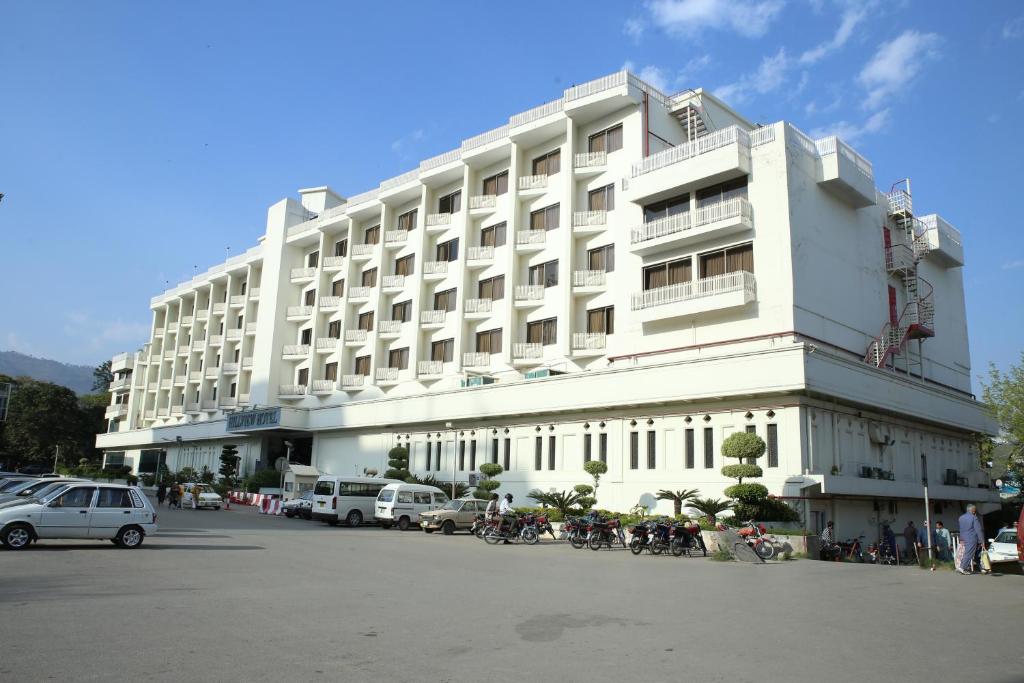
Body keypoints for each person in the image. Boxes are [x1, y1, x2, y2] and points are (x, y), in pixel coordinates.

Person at [957, 504, 985, 575]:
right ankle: (962, 567)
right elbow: (978, 530)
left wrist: (961, 538)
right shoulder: (974, 518)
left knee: (967, 552)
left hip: (964, 538)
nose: (975, 511)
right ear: (972, 510)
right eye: (975, 510)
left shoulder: (961, 517)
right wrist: (982, 541)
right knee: (969, 553)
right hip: (972, 538)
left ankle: (965, 567)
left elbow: (961, 529)